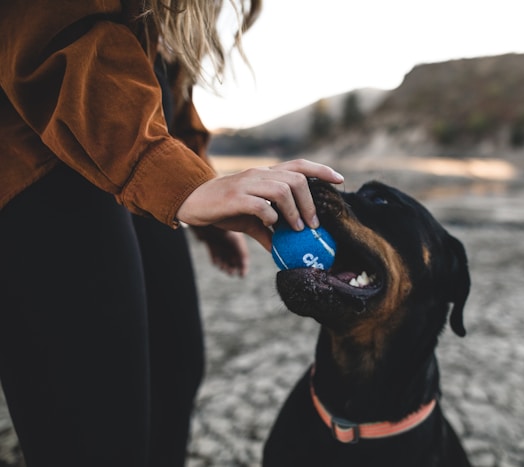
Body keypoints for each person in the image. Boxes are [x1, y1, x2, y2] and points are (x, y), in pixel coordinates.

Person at [0, 1, 344, 466]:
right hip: (33, 153)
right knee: (100, 426)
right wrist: (170, 177)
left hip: (123, 136)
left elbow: (165, 82)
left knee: (175, 368)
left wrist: (203, 192)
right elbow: (52, 28)